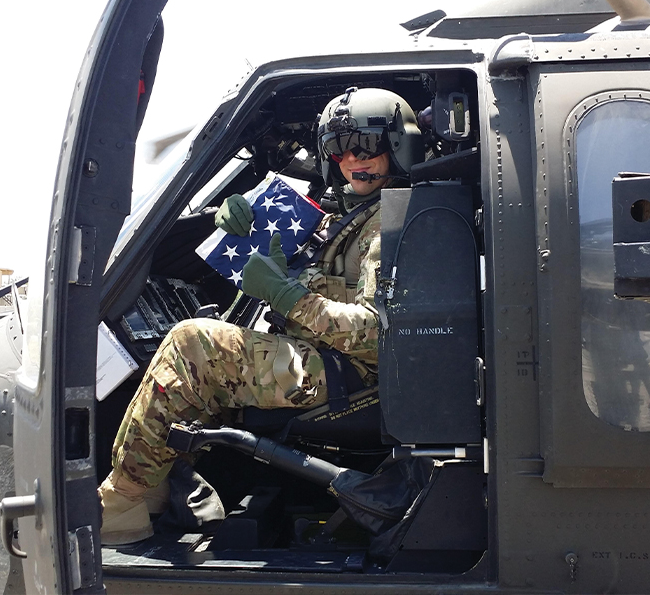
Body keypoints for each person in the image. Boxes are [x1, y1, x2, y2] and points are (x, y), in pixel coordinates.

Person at [98, 87, 423, 545]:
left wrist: (289, 297)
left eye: (365, 145)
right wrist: (243, 222)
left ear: (397, 145)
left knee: (194, 344)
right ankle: (168, 487)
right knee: (212, 354)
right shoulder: (355, 214)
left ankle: (125, 502)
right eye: (338, 149)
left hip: (357, 375)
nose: (352, 159)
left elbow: (379, 336)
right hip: (330, 360)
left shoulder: (398, 223)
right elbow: (312, 259)